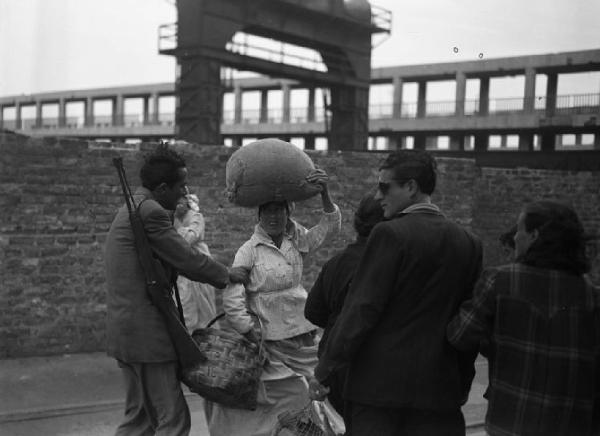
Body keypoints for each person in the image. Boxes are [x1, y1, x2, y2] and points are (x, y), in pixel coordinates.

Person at [310, 149, 483, 436]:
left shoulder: (389, 234)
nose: (378, 196)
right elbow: (469, 325)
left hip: (379, 393)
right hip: (440, 392)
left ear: (411, 187)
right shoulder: (469, 242)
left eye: (384, 186)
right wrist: (461, 383)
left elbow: (361, 310)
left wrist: (324, 370)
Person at [105, 144, 248, 436]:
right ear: (161, 188)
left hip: (126, 334)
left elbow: (172, 261)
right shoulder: (151, 212)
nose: (185, 193)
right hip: (148, 337)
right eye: (181, 187)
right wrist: (228, 275)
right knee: (173, 420)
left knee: (140, 420)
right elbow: (186, 258)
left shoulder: (134, 206)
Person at [206, 168, 341, 436]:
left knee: (319, 385)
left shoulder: (296, 238)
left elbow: (329, 229)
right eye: (268, 211)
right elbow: (233, 291)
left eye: (279, 211)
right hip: (267, 338)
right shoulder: (249, 250)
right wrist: (246, 328)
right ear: (259, 215)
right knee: (279, 395)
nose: (273, 217)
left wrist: (324, 193)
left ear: (287, 212)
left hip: (302, 331)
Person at [447, 201, 599, 435]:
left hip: (511, 420)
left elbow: (460, 335)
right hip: (573, 423)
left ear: (534, 235)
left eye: (519, 230)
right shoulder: (592, 296)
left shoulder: (500, 280)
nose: (515, 236)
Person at [304, 193, 384, 417]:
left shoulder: (337, 262)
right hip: (371, 365)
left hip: (333, 366)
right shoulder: (386, 264)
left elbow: (312, 311)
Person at [174, 193, 218, 332]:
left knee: (203, 305)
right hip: (181, 266)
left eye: (181, 202)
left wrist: (174, 235)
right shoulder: (173, 219)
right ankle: (186, 335)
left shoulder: (196, 217)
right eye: (176, 203)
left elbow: (191, 237)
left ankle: (204, 336)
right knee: (183, 302)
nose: (178, 205)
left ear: (187, 202)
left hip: (198, 262)